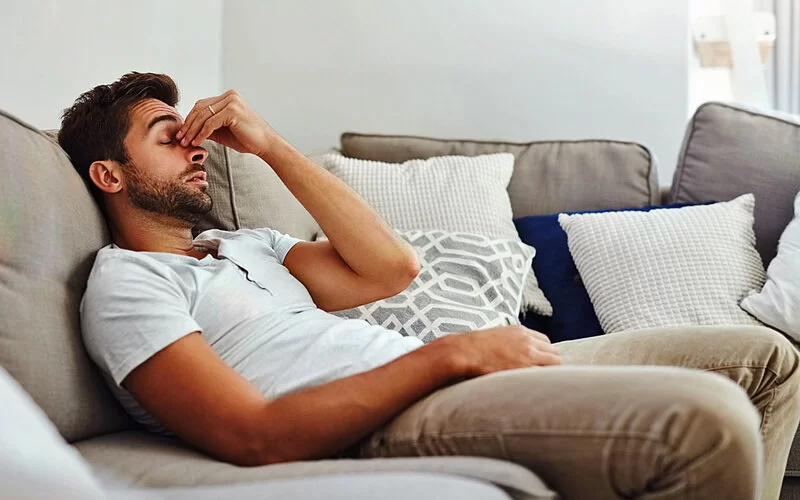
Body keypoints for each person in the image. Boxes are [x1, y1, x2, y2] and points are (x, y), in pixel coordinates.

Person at [59, 72, 800, 500]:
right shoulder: (127, 284)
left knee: (768, 360)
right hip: (395, 411)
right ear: (109, 175)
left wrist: (270, 144)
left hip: (449, 374)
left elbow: (390, 269)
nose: (193, 146)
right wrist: (453, 356)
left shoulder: (245, 247)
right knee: (707, 418)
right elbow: (253, 437)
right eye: (166, 134)